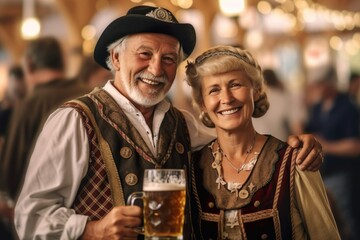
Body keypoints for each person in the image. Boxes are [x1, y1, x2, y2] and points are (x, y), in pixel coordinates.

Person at [14, 6, 324, 240]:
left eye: (168, 58)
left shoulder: (183, 125)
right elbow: (30, 217)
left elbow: (237, 144)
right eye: (144, 54)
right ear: (117, 58)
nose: (156, 68)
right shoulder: (75, 120)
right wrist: (92, 230)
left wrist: (296, 148)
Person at [185, 45, 340, 239]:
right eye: (214, 90)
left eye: (235, 85)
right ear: (202, 104)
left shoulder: (297, 161)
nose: (226, 98)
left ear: (256, 91)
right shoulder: (192, 167)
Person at [0, 37, 90, 203]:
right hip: (94, 209)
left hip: (47, 213)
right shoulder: (91, 94)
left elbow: (11, 174)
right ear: (63, 63)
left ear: (29, 64)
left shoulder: (28, 106)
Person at [305, 67, 360, 240]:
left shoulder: (348, 107)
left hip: (342, 173)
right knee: (328, 221)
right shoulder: (317, 107)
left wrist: (326, 145)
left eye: (320, 83)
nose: (317, 87)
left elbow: (355, 146)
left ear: (330, 83)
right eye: (315, 84)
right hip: (321, 173)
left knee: (347, 220)